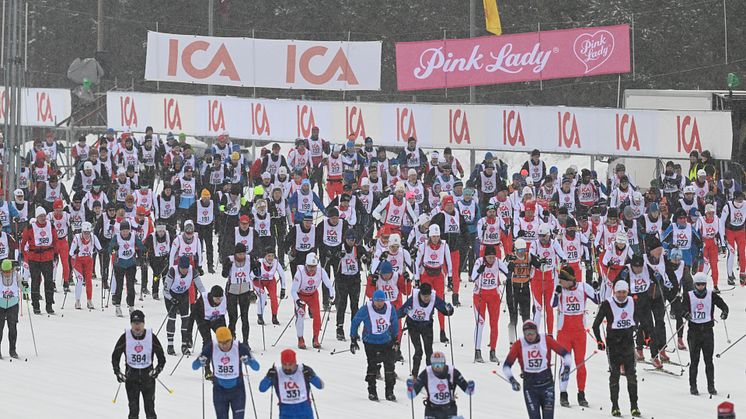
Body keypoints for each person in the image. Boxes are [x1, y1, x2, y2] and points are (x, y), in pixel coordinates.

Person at [503, 320, 572, 419]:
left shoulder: (546, 340)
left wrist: (566, 369)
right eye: (526, 333)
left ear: (536, 332)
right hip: (530, 388)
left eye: (532, 333)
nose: (529, 336)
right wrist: (512, 380)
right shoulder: (518, 345)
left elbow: (566, 355)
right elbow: (506, 366)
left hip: (547, 385)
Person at [592, 280, 641, 417]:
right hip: (613, 344)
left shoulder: (632, 301)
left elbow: (638, 317)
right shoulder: (607, 304)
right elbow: (596, 325)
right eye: (619, 292)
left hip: (628, 343)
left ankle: (634, 406)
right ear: (614, 292)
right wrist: (599, 341)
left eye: (624, 292)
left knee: (631, 375)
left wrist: (636, 328)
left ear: (627, 292)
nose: (621, 295)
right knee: (615, 375)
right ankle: (615, 406)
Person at [552, 266, 598, 407]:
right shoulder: (560, 289)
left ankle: (581, 394)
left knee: (580, 364)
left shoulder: (582, 287)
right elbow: (551, 304)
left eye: (562, 280)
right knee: (565, 364)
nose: (560, 282)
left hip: (579, 332)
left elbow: (598, 300)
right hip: (564, 332)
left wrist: (596, 288)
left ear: (570, 279)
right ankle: (563, 394)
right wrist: (556, 294)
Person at [192, 326, 260, 419]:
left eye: (227, 342)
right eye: (221, 343)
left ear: (231, 338)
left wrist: (248, 361)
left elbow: (256, 367)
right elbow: (194, 366)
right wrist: (200, 362)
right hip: (219, 391)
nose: (224, 345)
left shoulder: (240, 347)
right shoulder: (211, 347)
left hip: (238, 391)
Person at [111, 310, 166, 419]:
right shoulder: (125, 337)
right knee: (133, 411)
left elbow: (162, 358)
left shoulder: (151, 337)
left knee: (150, 410)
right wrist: (117, 372)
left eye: (139, 323)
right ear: (131, 324)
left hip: (148, 380)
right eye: (134, 323)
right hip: (131, 380)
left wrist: (157, 370)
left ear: (143, 323)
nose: (137, 326)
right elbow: (115, 356)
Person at [681, 272, 729, 396]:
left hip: (707, 332)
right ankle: (693, 386)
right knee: (694, 360)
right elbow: (681, 309)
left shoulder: (711, 295)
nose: (701, 287)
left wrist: (724, 312)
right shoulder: (689, 295)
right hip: (694, 332)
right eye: (698, 285)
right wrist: (686, 314)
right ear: (694, 285)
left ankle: (711, 386)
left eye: (703, 284)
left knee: (709, 360)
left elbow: (723, 305)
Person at [350, 290, 399, 401]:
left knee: (389, 366)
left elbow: (395, 323)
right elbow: (355, 322)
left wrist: (396, 339)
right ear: (373, 300)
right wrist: (353, 338)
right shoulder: (366, 309)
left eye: (381, 301)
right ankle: (372, 391)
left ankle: (389, 392)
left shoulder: (390, 309)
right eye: (377, 301)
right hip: (370, 341)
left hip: (386, 341)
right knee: (372, 365)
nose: (379, 303)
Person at [397, 283, 453, 377]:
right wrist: (404, 311)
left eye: (428, 296)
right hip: (413, 326)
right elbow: (400, 312)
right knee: (418, 351)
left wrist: (449, 309)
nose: (426, 299)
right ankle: (414, 375)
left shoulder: (434, 298)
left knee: (429, 352)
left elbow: (445, 310)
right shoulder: (413, 298)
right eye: (424, 296)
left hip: (427, 326)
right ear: (420, 294)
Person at [406, 351, 475, 419]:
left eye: (440, 364)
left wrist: (470, 387)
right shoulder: (426, 373)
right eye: (435, 365)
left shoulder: (453, 372)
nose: (437, 367)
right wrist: (410, 388)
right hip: (432, 410)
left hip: (449, 409)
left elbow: (468, 391)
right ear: (431, 364)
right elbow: (412, 395)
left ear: (444, 364)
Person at [259, 349, 324, 419]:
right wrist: (268, 377)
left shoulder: (303, 370)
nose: (287, 367)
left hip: (305, 414)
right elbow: (262, 388)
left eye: (290, 364)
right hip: (286, 414)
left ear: (295, 362)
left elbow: (320, 385)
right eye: (284, 364)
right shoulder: (276, 373)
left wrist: (311, 376)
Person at [470, 245, 509, 363]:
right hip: (480, 295)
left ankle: (493, 351)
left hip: (494, 296)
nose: (491, 260)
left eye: (493, 257)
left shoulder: (497, 262)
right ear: (485, 256)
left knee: (494, 324)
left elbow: (508, 272)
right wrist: (479, 270)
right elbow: (473, 277)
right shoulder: (479, 262)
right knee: (480, 323)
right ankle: (477, 351)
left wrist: (510, 268)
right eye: (489, 257)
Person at [415, 224, 452, 343]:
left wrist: (450, 277)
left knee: (440, 302)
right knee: (426, 302)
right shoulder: (423, 246)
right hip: (426, 274)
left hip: (438, 275)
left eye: (437, 236)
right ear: (429, 236)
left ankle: (442, 330)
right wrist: (416, 278)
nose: (435, 239)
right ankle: (426, 328)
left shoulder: (444, 245)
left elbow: (449, 261)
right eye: (433, 236)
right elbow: (417, 263)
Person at [164, 255, 206, 355]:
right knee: (172, 319)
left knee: (185, 320)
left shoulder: (192, 271)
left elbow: (200, 285)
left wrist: (205, 297)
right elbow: (165, 290)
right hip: (171, 295)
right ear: (179, 266)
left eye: (186, 269)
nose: (184, 271)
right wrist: (171, 299)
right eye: (182, 269)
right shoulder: (172, 271)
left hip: (183, 295)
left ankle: (184, 345)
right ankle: (170, 345)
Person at [20, 206, 60, 314]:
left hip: (47, 258)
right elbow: (23, 244)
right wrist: (25, 256)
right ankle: (36, 305)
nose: (42, 218)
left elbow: (56, 241)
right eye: (40, 216)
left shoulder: (50, 226)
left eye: (44, 216)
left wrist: (56, 253)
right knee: (35, 282)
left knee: (48, 282)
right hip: (34, 258)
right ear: (36, 217)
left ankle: (49, 305)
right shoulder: (29, 228)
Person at [291, 253, 335, 349]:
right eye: (310, 266)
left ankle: (315, 338)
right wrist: (297, 300)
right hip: (301, 295)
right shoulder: (300, 273)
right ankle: (300, 338)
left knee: (317, 316)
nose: (312, 269)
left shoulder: (321, 271)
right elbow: (293, 290)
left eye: (314, 267)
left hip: (313, 295)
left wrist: (332, 294)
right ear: (306, 265)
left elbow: (329, 284)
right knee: (301, 317)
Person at [109, 221, 146, 317]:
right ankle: (117, 306)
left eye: (126, 231)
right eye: (123, 231)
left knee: (130, 286)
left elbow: (140, 245)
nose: (125, 233)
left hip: (130, 264)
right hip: (119, 264)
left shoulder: (133, 236)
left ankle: (131, 306)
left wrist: (144, 251)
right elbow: (110, 249)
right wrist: (114, 248)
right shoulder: (116, 237)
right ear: (120, 231)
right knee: (119, 286)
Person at [222, 243, 256, 347]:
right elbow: (224, 275)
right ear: (235, 254)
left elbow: (257, 273)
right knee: (233, 317)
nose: (242, 256)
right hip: (232, 291)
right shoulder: (230, 260)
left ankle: (246, 341)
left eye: (243, 254)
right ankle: (231, 337)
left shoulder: (249, 259)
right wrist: (227, 267)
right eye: (239, 254)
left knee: (245, 318)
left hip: (245, 291)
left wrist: (256, 266)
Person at [69, 221, 102, 310]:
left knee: (88, 280)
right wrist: (75, 251)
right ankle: (77, 301)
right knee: (80, 279)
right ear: (82, 232)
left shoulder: (93, 238)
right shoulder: (77, 238)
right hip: (77, 261)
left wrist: (100, 251)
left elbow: (100, 248)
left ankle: (89, 300)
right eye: (85, 233)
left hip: (88, 261)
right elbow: (71, 252)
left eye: (88, 233)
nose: (86, 235)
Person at [251, 247, 286, 326]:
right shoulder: (259, 262)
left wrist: (283, 288)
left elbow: (282, 275)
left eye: (272, 256)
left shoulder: (276, 262)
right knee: (263, 296)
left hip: (270, 281)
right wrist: (251, 290)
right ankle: (260, 317)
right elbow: (250, 276)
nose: (270, 258)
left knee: (274, 297)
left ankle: (274, 317)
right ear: (265, 256)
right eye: (268, 256)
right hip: (258, 281)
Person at [0, 259, 23, 359]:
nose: (6, 274)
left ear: (12, 269)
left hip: (13, 304)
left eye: (8, 271)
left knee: (12, 327)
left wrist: (25, 287)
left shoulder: (16, 275)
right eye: (4, 272)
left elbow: (24, 286)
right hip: (0, 304)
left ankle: (12, 350)